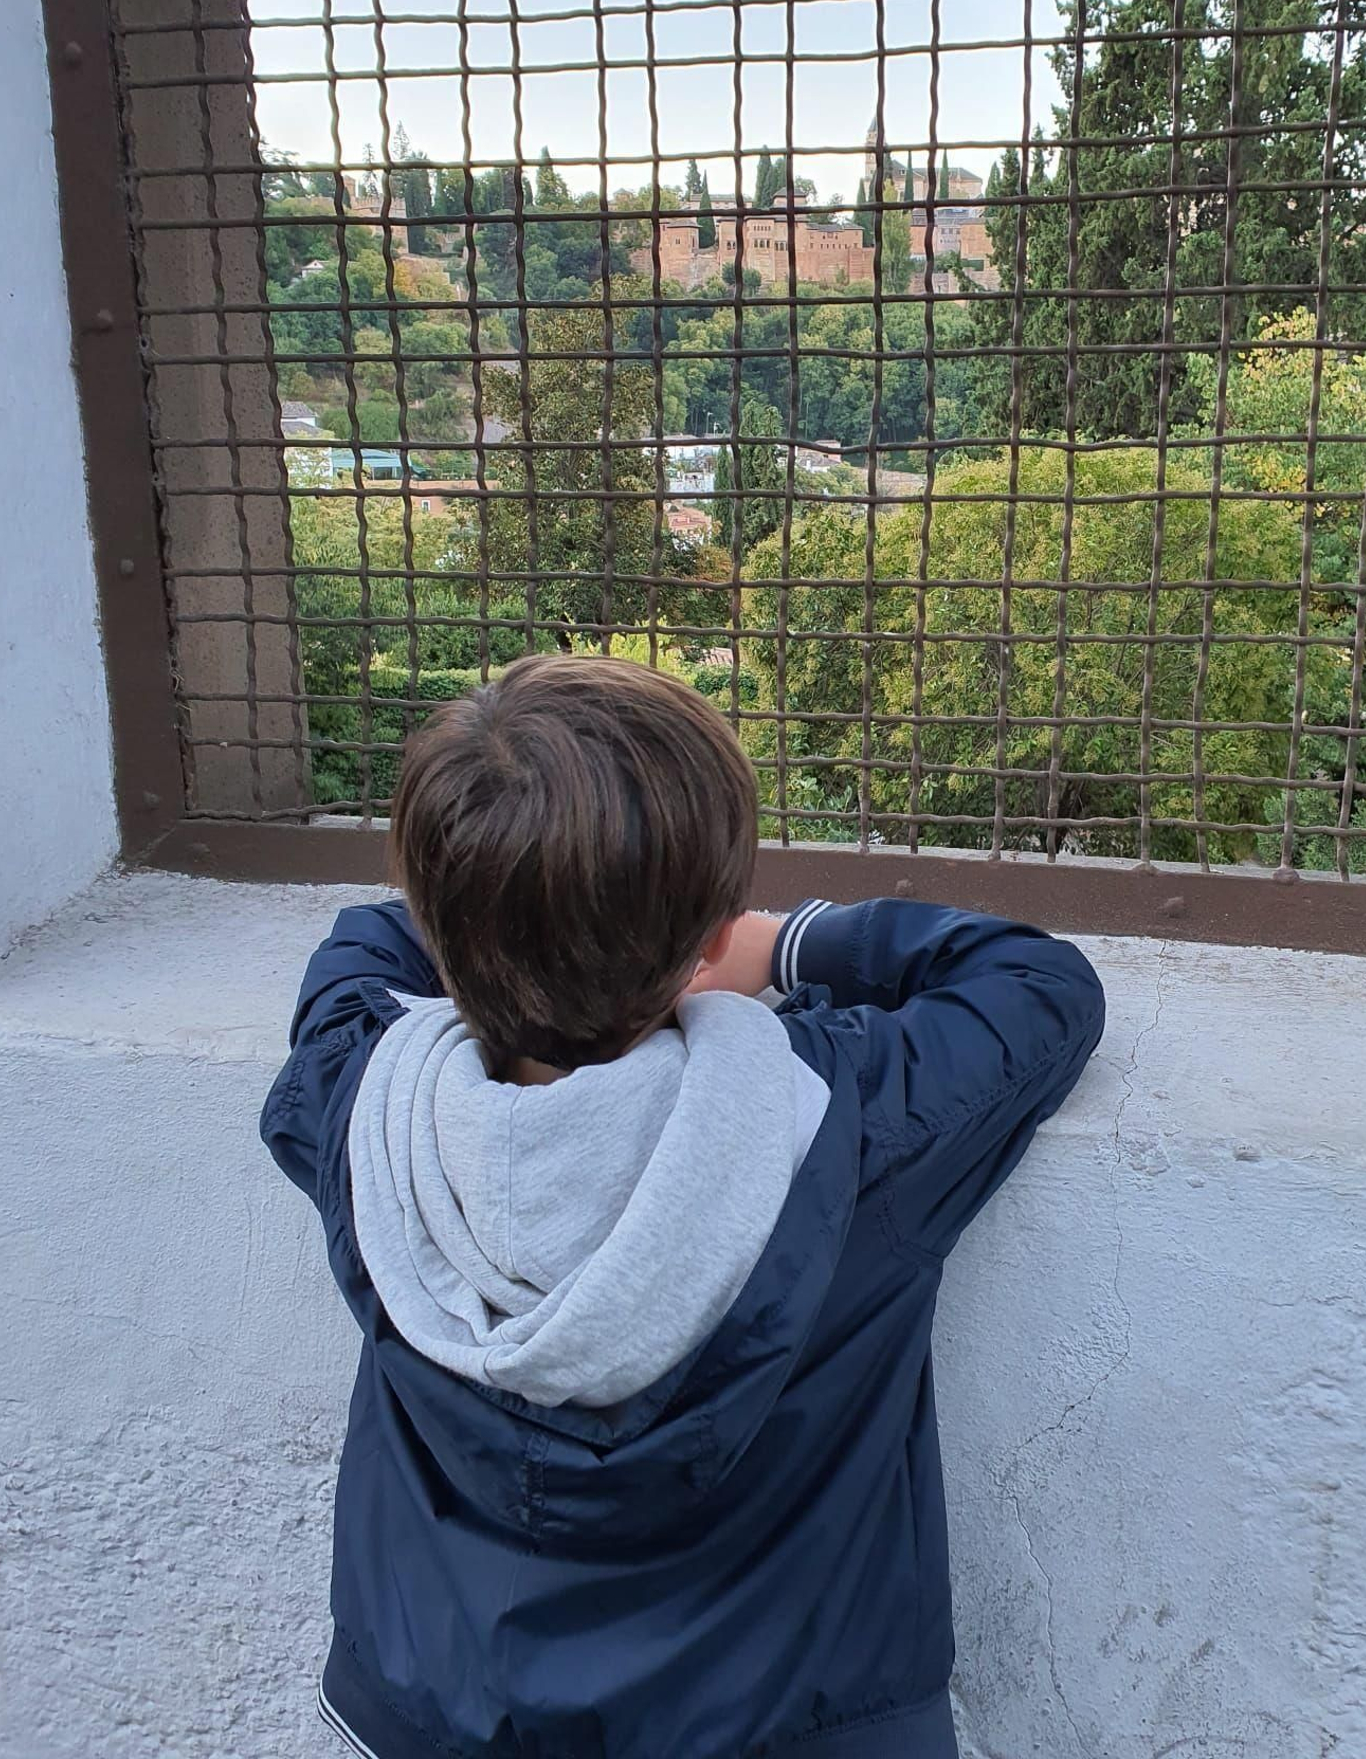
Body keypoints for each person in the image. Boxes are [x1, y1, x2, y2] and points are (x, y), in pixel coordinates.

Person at [263, 652, 1106, 1759]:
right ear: (709, 938)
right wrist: (782, 941)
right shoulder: (846, 1121)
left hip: (439, 1721)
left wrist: (508, 904)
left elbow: (366, 943)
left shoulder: (357, 1103)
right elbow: (1039, 987)